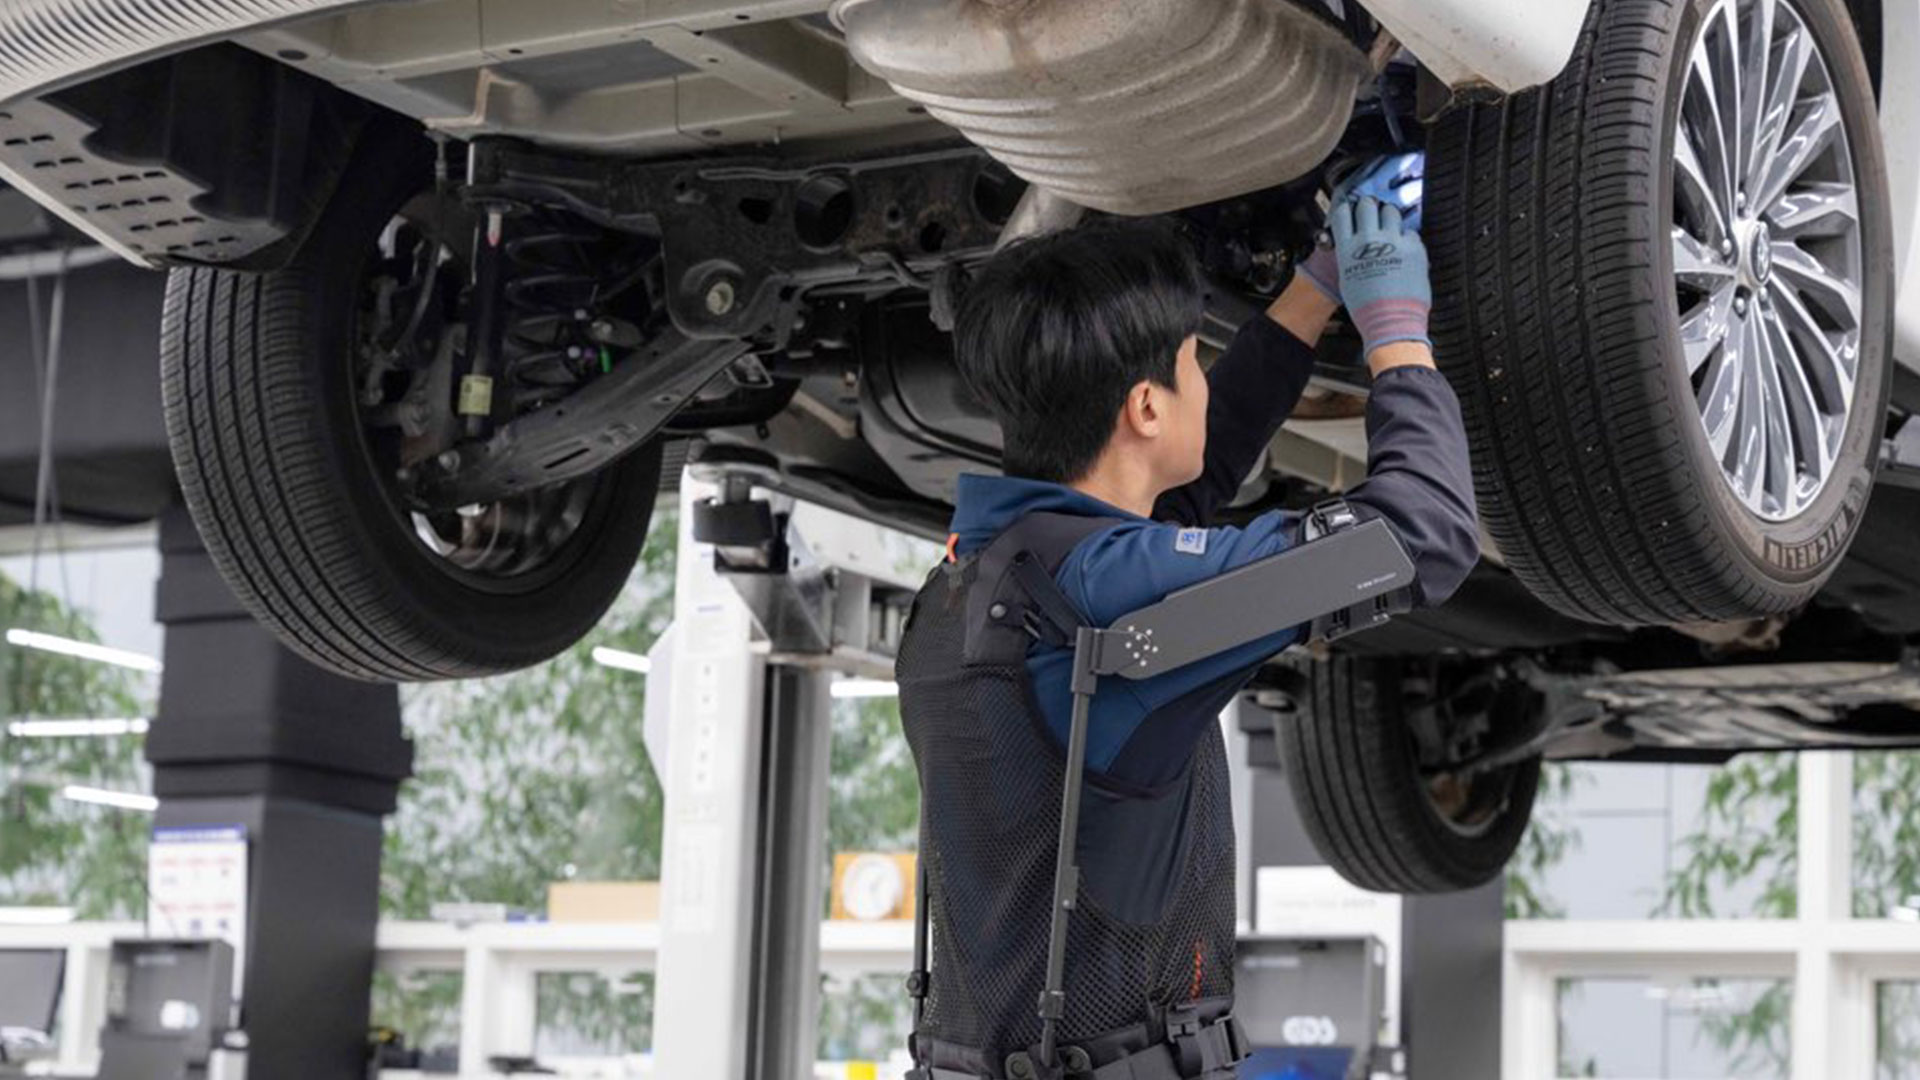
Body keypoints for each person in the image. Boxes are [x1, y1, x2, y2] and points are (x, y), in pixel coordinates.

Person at [893, 159, 1479, 1080]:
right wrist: (1397, 332)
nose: (1205, 377)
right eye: (1190, 362)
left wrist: (1313, 290)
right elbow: (1420, 537)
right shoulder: (1107, 596)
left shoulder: (974, 581)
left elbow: (1182, 512)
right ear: (1144, 407)